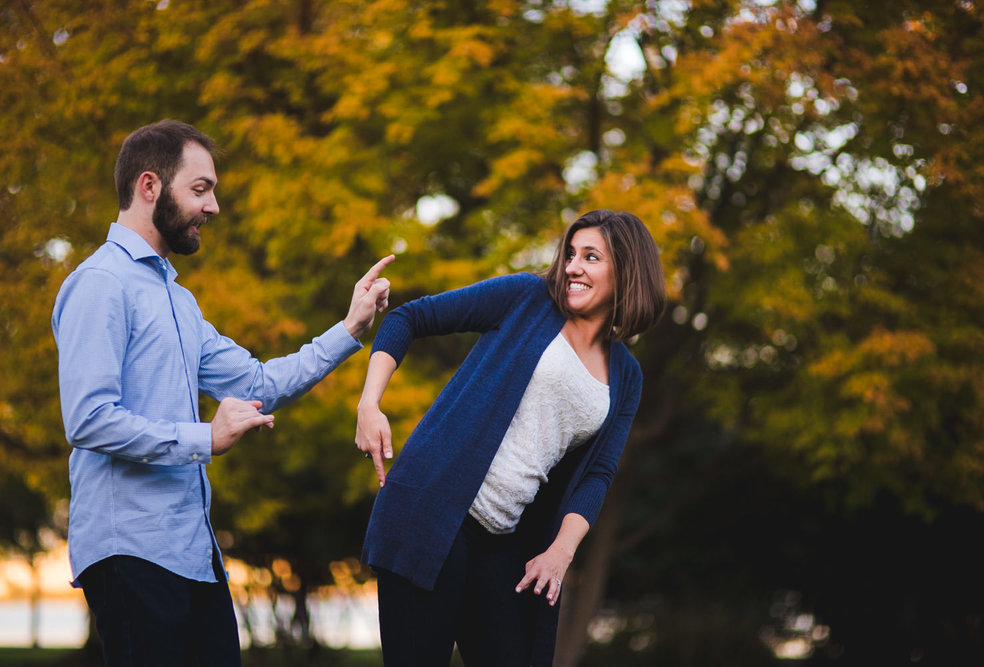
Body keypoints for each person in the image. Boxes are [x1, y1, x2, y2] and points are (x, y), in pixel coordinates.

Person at [51, 119, 393, 667]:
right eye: (200, 189)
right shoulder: (101, 284)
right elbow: (88, 420)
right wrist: (203, 438)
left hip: (194, 556)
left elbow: (258, 384)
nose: (212, 206)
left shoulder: (179, 302)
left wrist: (350, 328)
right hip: (131, 551)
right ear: (149, 187)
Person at [354, 209, 667, 666]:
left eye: (591, 257)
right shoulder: (527, 297)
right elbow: (408, 318)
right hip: (430, 513)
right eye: (571, 254)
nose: (572, 267)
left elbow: (597, 474)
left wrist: (560, 552)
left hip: (503, 541)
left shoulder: (626, 376)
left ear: (626, 271)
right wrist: (369, 404)